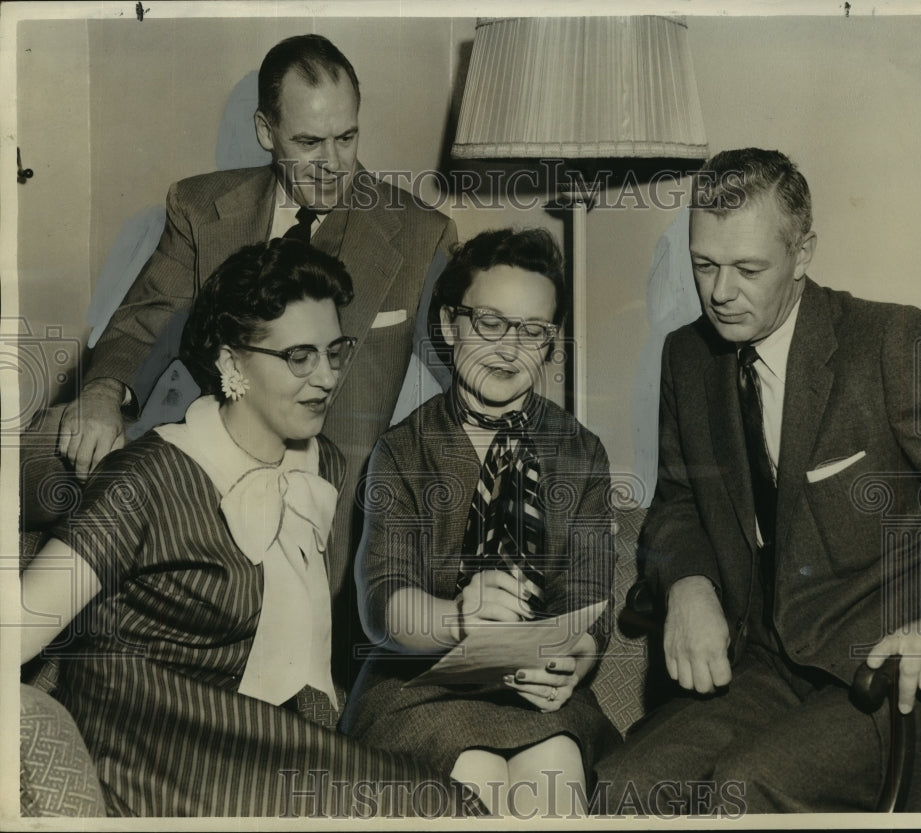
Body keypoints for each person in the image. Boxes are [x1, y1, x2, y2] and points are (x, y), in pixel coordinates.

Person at [24, 33, 456, 695]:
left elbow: (471, 357)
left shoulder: (418, 232)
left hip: (328, 501)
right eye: (310, 143)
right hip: (198, 470)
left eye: (347, 138)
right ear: (265, 130)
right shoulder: (202, 209)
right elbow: (141, 322)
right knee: (35, 455)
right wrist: (105, 389)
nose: (333, 164)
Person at [20, 239, 481, 818]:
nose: (325, 378)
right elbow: (20, 624)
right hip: (148, 741)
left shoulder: (324, 464)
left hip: (254, 735)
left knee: (448, 803)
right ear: (231, 362)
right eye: (299, 357)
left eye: (333, 352)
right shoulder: (148, 473)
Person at [594, 148, 921, 813]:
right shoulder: (687, 357)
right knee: (623, 784)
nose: (720, 292)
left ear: (803, 253)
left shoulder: (891, 342)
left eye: (749, 269)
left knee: (746, 788)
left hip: (898, 675)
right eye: (704, 264)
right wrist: (688, 584)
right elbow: (679, 502)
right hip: (769, 664)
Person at [341, 228, 622, 816]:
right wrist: (458, 619)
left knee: (556, 772)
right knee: (480, 782)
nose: (508, 349)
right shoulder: (403, 450)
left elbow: (590, 598)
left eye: (532, 332)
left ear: (549, 344)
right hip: (417, 689)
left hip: (539, 697)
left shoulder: (580, 452)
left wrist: (573, 660)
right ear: (449, 325)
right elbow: (381, 602)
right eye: (489, 323)